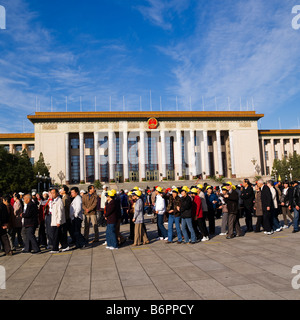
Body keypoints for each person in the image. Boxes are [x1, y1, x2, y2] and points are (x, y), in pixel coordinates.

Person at [50, 188, 69, 253]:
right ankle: (65, 246)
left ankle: (55, 249)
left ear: (57, 193)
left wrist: (59, 221)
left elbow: (60, 212)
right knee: (60, 235)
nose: (52, 194)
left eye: (53, 193)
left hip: (57, 221)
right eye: (51, 193)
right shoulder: (53, 200)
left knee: (55, 235)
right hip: (54, 220)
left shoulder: (59, 201)